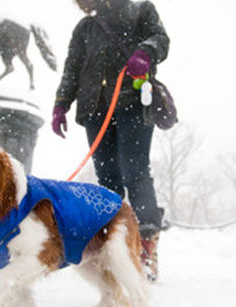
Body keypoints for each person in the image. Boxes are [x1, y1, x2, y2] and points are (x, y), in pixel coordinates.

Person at [51, 0, 170, 282]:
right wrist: (61, 103)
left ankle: (145, 248)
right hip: (95, 109)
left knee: (136, 172)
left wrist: (146, 51)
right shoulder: (85, 27)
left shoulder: (141, 9)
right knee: (107, 180)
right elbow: (73, 67)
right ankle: (114, 248)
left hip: (134, 103)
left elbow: (161, 39)